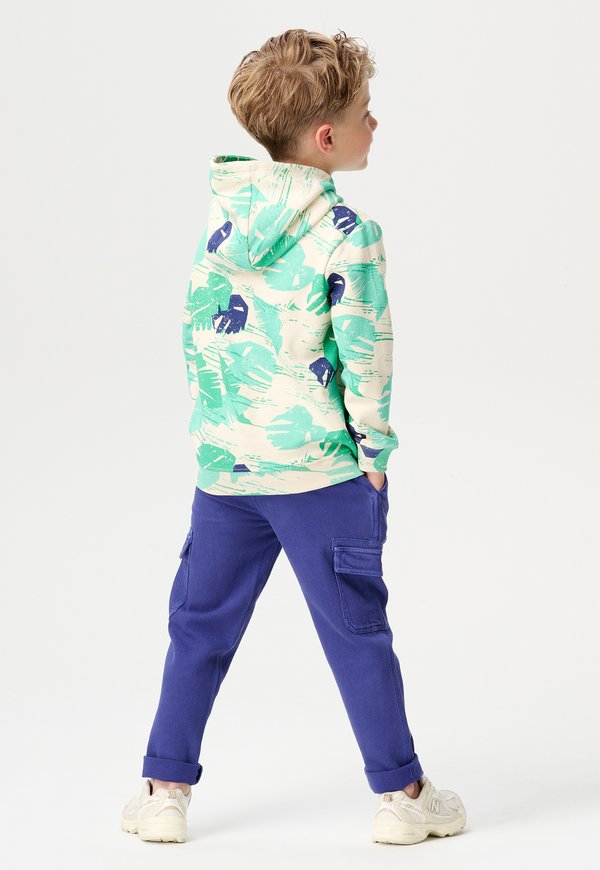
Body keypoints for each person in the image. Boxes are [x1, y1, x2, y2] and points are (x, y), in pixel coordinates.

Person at [121, 27, 467, 846]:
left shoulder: (222, 220)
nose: (374, 124)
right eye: (364, 112)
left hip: (228, 472)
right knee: (356, 634)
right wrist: (374, 455)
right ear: (325, 139)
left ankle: (164, 792)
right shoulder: (350, 232)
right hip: (322, 474)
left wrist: (217, 434)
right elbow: (368, 356)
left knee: (198, 628)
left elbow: (201, 333)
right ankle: (403, 797)